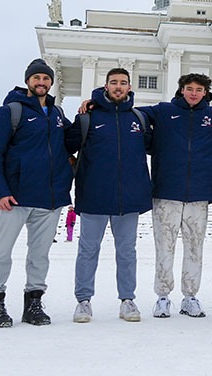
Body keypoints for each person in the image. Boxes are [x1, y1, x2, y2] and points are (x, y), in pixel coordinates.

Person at [0, 58, 73, 328]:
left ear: (51, 83)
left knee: (40, 254)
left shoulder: (57, 115)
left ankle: (34, 302)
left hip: (49, 199)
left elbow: (72, 140)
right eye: (37, 78)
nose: (42, 82)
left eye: (46, 79)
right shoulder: (8, 112)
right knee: (1, 251)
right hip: (14, 197)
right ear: (28, 81)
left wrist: (91, 110)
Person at [142, 73, 212, 318]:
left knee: (195, 247)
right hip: (166, 193)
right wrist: (97, 101)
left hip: (199, 194)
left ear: (206, 92)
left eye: (199, 89)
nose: (194, 93)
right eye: (189, 88)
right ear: (181, 90)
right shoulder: (163, 111)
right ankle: (162, 297)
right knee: (165, 247)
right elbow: (129, 112)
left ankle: (190, 297)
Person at [66, 68, 153, 324]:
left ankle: (127, 299)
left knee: (127, 251)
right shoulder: (88, 116)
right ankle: (83, 301)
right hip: (94, 195)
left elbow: (161, 144)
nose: (118, 87)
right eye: (113, 82)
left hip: (129, 198)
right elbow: (63, 145)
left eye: (123, 83)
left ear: (129, 87)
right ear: (106, 86)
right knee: (88, 250)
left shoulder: (138, 118)